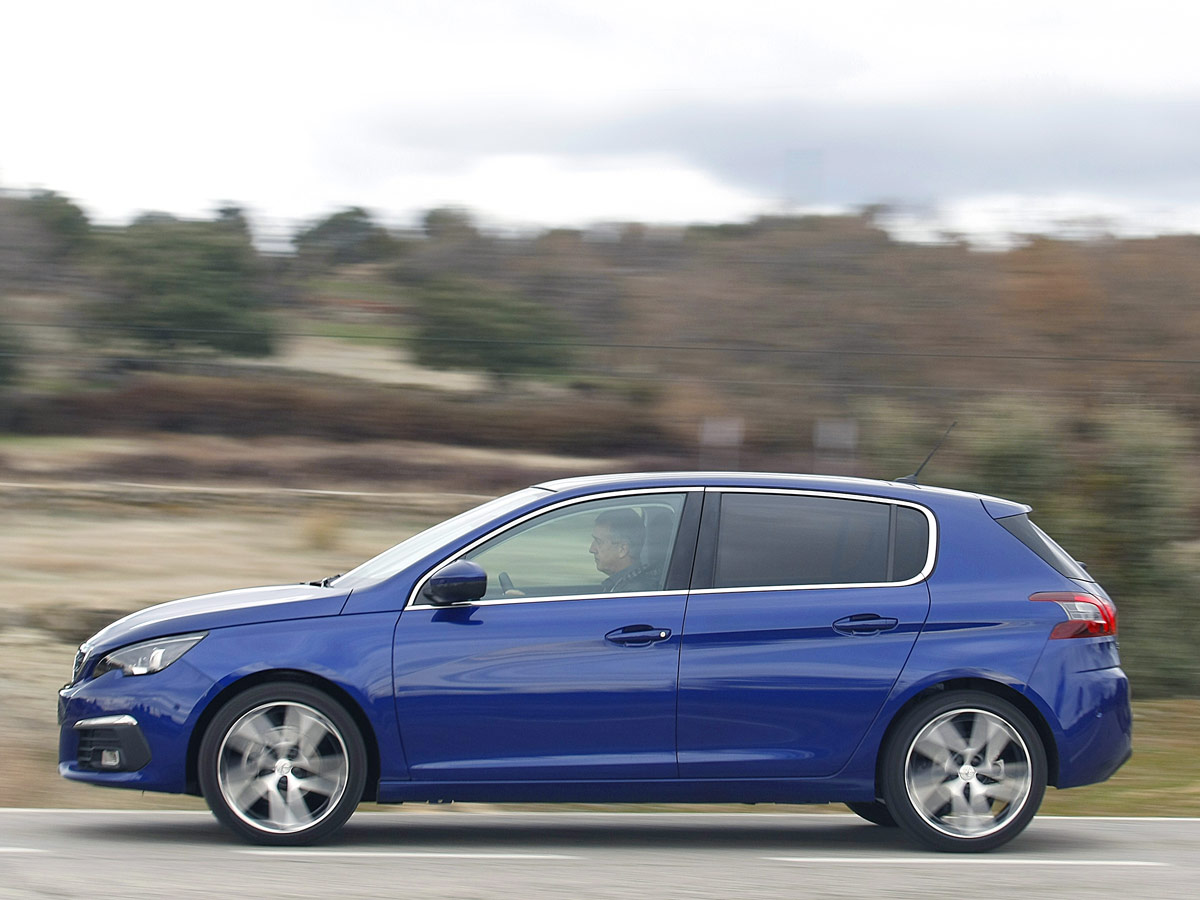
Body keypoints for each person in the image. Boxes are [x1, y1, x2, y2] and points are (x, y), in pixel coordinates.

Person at [590, 509, 661, 592]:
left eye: (599, 542)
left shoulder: (634, 592)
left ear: (622, 549)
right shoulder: (623, 584)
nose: (592, 549)